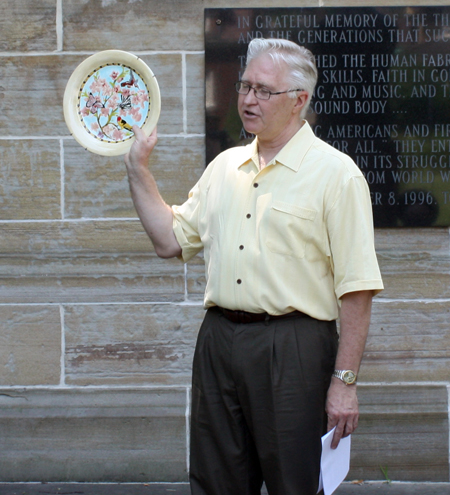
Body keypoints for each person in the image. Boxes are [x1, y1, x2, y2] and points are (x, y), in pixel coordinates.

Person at [124, 38, 383, 495]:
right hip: (219, 344)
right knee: (215, 481)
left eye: (264, 90)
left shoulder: (336, 175)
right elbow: (169, 240)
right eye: (245, 86)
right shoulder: (224, 167)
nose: (246, 99)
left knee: (294, 483)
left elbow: (357, 289)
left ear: (299, 101)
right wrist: (137, 168)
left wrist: (345, 383)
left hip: (295, 350)